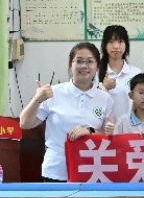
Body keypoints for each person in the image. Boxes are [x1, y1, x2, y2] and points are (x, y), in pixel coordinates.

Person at [19, 42, 114, 182]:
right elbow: (25, 123)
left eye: (90, 61)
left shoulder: (105, 98)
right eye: (79, 61)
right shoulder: (53, 92)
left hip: (91, 171)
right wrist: (37, 99)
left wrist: (90, 131)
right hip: (56, 170)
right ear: (71, 64)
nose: (84, 66)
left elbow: (108, 135)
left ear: (97, 66)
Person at [99, 25, 142, 117]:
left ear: (126, 45)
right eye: (111, 42)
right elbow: (90, 103)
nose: (116, 46)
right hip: (103, 125)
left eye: (120, 41)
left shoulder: (136, 73)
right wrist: (103, 87)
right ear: (105, 45)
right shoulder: (96, 72)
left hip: (129, 125)